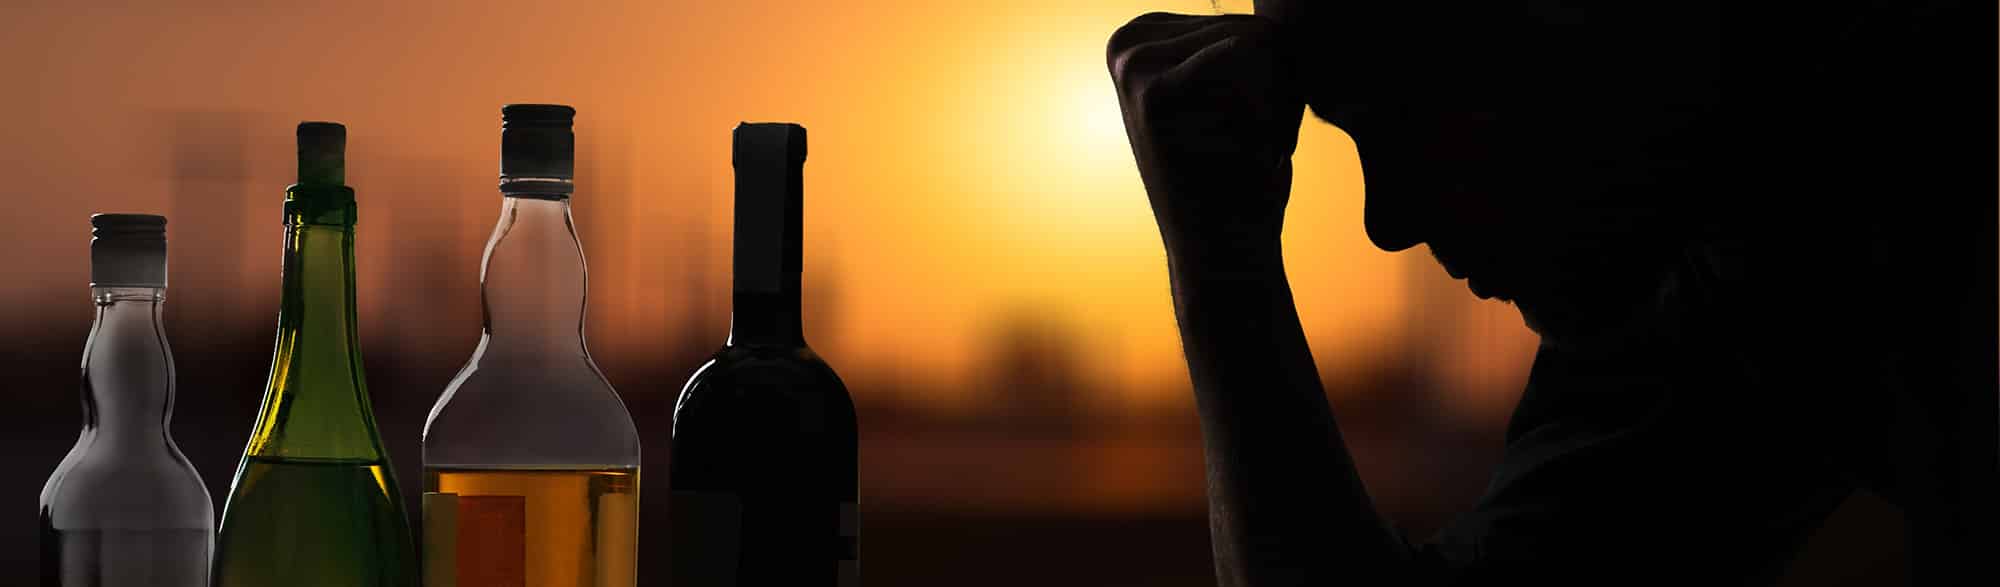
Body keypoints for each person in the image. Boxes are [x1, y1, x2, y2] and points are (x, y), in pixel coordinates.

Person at [1105, 1, 1993, 584]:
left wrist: (1221, 272)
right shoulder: (1723, 287)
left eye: (1410, 112)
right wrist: (1222, 265)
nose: (1391, 219)